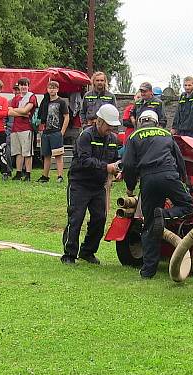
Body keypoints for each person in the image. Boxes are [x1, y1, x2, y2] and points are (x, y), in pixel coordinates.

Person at [122, 110, 193, 278]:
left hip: (148, 180)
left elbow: (128, 164)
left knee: (149, 225)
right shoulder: (166, 134)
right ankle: (163, 214)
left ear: (140, 122)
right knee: (188, 206)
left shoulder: (134, 136)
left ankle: (148, 271)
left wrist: (130, 187)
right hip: (168, 175)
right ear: (156, 122)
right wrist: (183, 180)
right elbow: (179, 158)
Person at [61, 104, 121, 265]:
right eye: (109, 125)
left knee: (100, 219)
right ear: (99, 122)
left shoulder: (113, 140)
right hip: (79, 184)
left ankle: (88, 251)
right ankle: (69, 254)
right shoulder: (85, 136)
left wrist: (117, 171)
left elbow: (115, 160)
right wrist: (106, 167)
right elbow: (84, 160)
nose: (111, 129)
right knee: (76, 218)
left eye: (113, 126)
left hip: (98, 186)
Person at [38, 81, 69, 183]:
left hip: (56, 131)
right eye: (50, 87)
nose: (52, 90)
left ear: (57, 89)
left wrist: (62, 131)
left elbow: (66, 116)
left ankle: (60, 176)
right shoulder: (45, 101)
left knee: (58, 154)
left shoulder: (61, 102)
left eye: (54, 88)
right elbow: (40, 116)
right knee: (46, 155)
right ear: (47, 89)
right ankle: (45, 176)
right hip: (46, 131)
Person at [8, 77, 38, 181]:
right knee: (18, 152)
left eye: (25, 85)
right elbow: (9, 112)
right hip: (15, 128)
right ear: (19, 86)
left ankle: (28, 174)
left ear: (28, 86)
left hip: (26, 127)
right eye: (21, 85)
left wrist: (20, 112)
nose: (23, 87)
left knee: (27, 152)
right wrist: (22, 112)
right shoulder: (15, 98)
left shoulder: (31, 97)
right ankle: (19, 172)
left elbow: (27, 110)